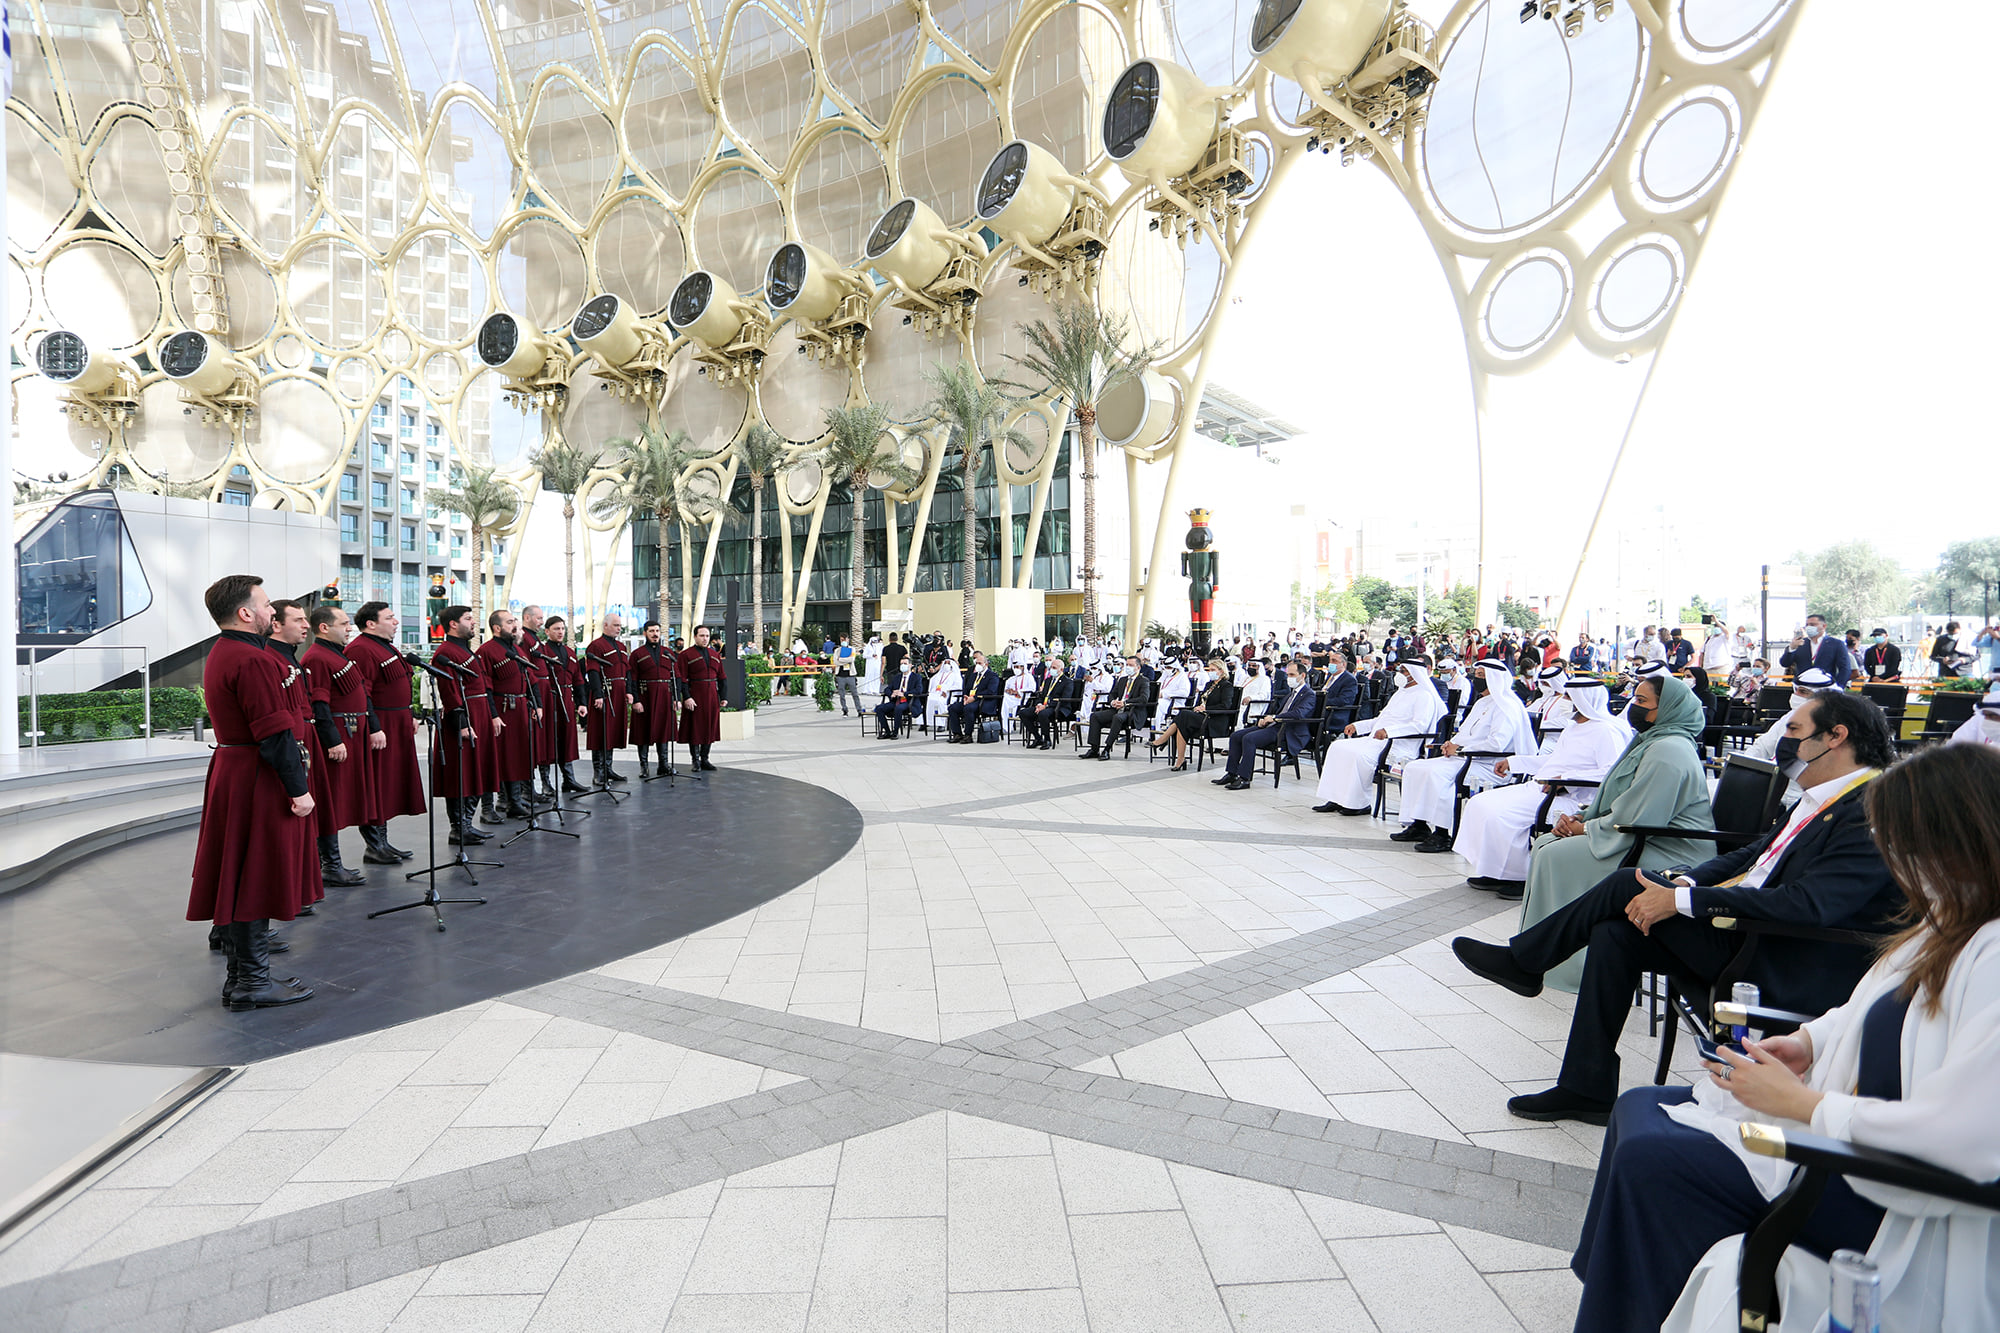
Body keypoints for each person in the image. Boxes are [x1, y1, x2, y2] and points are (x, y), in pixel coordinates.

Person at [1581, 744, 2000, 1333]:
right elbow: (1873, 1009)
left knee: (1655, 1158)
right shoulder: (1946, 921)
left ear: (1956, 841)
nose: (1892, 858)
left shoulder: (1992, 954)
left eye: (1902, 841)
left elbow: (1969, 1137)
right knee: (1640, 1108)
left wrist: (1802, 1104)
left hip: (1880, 1191)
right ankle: (1615, 1294)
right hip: (1841, 1138)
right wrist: (1808, 1042)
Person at [1454, 688, 1902, 1133]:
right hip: (1744, 928)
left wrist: (1681, 901)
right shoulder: (1825, 796)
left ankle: (1525, 962)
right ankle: (1585, 1087)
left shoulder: (1871, 809)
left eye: (1795, 731)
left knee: (1627, 882)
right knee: (1615, 934)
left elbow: (1809, 905)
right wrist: (1686, 883)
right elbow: (1752, 857)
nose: (1785, 742)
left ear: (1835, 737)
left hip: (1779, 952)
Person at [1512, 672, 1715, 984]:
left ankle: (1565, 966)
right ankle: (1537, 958)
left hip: (1670, 848)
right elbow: (1621, 798)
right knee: (1545, 844)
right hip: (1644, 835)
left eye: (1642, 701)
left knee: (1556, 855)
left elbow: (1642, 815)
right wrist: (1581, 819)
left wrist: (1584, 830)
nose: (1634, 707)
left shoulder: (1670, 750)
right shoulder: (1652, 741)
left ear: (1667, 708)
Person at [187, 575, 317, 1011]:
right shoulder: (253, 659)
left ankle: (242, 979)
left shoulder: (224, 650)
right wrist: (298, 789)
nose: (272, 612)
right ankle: (253, 982)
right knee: (256, 874)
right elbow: (275, 733)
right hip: (256, 776)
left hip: (236, 769)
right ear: (245, 613)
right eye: (265, 605)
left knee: (242, 872)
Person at [1455, 678, 1631, 893]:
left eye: (1569, 697)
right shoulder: (1573, 727)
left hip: (1573, 797)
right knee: (1479, 803)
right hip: (1541, 788)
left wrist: (1565, 780)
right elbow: (1553, 761)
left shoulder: (1606, 730)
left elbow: (1611, 772)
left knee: (1500, 815)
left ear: (1584, 699)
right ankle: (1497, 871)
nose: (1565, 702)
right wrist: (1513, 762)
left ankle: (1520, 877)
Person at [1388, 661, 1539, 853]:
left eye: (1482, 675)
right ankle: (1419, 825)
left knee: (1437, 774)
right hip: (1465, 758)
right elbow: (1464, 733)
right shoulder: (1482, 702)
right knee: (1415, 768)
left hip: (1490, 764)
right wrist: (1450, 744)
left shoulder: (1506, 706)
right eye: (1476, 674)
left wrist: (1459, 749)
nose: (1477, 679)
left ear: (1494, 679)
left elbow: (1496, 744)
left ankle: (1443, 834)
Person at [268, 600, 342, 892]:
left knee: (317, 812)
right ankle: (297, 884)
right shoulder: (271, 658)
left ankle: (317, 874)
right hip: (295, 740)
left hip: (306, 737)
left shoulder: (289, 656)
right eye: (298, 620)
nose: (305, 625)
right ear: (276, 624)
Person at [302, 604, 380, 881]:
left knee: (345, 799)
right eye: (344, 623)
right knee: (330, 801)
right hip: (340, 735)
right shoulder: (316, 657)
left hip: (352, 734)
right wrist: (333, 740)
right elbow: (319, 704)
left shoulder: (336, 654)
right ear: (324, 627)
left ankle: (336, 863)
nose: (349, 628)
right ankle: (330, 866)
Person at [1312, 659, 1448, 816]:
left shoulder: (1424, 696)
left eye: (1403, 671)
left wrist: (1388, 732)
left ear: (1414, 674)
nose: (1399, 674)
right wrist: (1358, 726)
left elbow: (1418, 726)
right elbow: (1381, 720)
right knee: (1338, 747)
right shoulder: (1400, 693)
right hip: (1377, 740)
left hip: (1399, 744)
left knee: (1360, 755)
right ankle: (1336, 799)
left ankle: (1359, 804)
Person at [345, 601, 422, 863]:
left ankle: (383, 842)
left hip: (397, 722)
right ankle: (374, 845)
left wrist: (409, 714)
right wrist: (374, 727)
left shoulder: (385, 646)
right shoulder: (360, 649)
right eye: (389, 618)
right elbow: (362, 693)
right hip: (382, 724)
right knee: (376, 784)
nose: (396, 622)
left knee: (387, 784)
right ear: (371, 624)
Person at [477, 609, 547, 820]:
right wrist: (493, 715)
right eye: (509, 622)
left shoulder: (516, 649)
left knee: (517, 756)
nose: (515, 625)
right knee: (498, 758)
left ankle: (514, 802)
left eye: (514, 621)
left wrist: (538, 704)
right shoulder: (486, 651)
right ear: (497, 628)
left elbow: (531, 678)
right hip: (502, 709)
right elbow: (485, 687)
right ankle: (492, 806)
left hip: (520, 709)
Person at [1212, 657, 1315, 789]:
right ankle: (1231, 773)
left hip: (1288, 730)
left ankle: (1244, 778)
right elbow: (1277, 710)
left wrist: (1275, 718)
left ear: (1302, 676)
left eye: (1292, 675)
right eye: (1288, 675)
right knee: (1236, 736)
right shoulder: (1292, 693)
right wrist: (1266, 718)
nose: (1289, 678)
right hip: (1275, 726)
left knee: (1249, 739)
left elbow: (1299, 713)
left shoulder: (1308, 694)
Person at [1152, 656, 1238, 770]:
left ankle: (1164, 739)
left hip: (1215, 719)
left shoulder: (1226, 686)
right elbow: (1199, 702)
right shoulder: (1209, 685)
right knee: (1182, 723)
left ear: (1221, 671)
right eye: (1209, 670)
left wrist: (1206, 708)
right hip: (1202, 717)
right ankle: (1179, 759)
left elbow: (1226, 705)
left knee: (1184, 715)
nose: (1210, 672)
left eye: (1213, 670)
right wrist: (1197, 708)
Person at [536, 616, 590, 793]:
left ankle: (569, 779)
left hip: (567, 699)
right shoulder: (542, 651)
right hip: (549, 698)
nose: (560, 632)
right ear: (547, 631)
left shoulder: (570, 652)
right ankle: (546, 783)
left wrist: (582, 703)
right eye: (556, 629)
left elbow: (578, 679)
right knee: (548, 739)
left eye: (562, 629)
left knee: (567, 738)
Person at [582, 613, 632, 785]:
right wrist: (598, 694)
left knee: (612, 731)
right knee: (600, 731)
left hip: (619, 693)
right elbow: (593, 671)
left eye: (620, 626)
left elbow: (627, 671)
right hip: (605, 693)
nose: (619, 628)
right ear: (605, 625)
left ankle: (608, 768)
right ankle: (598, 773)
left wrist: (629, 691)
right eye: (616, 625)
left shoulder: (621, 646)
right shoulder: (596, 646)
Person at [629, 620, 682, 779]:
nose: (655, 634)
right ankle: (644, 767)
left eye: (657, 631)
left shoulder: (668, 653)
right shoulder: (637, 654)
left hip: (665, 696)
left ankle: (663, 765)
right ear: (645, 633)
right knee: (642, 731)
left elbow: (677, 677)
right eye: (651, 631)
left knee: (664, 730)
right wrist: (636, 700)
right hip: (645, 696)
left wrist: (676, 698)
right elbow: (632, 679)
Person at [1081, 655, 1152, 759]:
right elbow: (1112, 694)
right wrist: (1113, 701)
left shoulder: (1143, 681)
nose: (1128, 667)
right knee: (1095, 716)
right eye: (1127, 665)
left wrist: (1125, 702)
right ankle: (1094, 749)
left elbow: (1144, 698)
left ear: (1138, 667)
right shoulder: (1123, 680)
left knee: (1117, 718)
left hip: (1132, 711)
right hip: (1118, 708)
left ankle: (1107, 749)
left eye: (1131, 665)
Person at [678, 624, 723, 770]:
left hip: (712, 696)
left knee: (709, 727)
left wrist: (723, 696)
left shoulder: (715, 655)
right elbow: (682, 679)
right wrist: (687, 697)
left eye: (707, 636)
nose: (705, 639)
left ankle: (705, 759)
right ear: (695, 637)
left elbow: (722, 677)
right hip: (695, 695)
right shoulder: (686, 655)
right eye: (702, 636)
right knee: (695, 728)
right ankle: (695, 760)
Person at [1780, 613, 1855, 687]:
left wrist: (1838, 687)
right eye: (1807, 625)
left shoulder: (1836, 644)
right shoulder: (1800, 643)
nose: (1809, 627)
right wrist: (1792, 649)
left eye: (1812, 625)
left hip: (1825, 687)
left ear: (1824, 626)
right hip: (1802, 686)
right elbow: (1785, 663)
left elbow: (1845, 669)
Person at [948, 651, 1002, 743]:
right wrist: (965, 697)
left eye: (979, 663)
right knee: (953, 708)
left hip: (984, 701)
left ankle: (968, 735)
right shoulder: (973, 675)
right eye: (976, 663)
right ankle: (957, 734)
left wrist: (974, 698)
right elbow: (967, 688)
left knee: (968, 708)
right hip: (970, 699)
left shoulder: (992, 676)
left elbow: (991, 691)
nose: (977, 665)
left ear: (986, 664)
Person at [874, 657, 924, 737]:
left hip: (909, 702)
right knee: (879, 708)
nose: (903, 665)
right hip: (896, 700)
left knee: (899, 708)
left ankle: (895, 732)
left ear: (910, 665)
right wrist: (892, 693)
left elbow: (918, 690)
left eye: (905, 663)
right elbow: (887, 689)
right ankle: (887, 731)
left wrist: (904, 693)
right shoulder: (897, 677)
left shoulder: (916, 677)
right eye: (901, 664)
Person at [925, 653, 961, 734]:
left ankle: (941, 724)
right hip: (936, 693)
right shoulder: (938, 675)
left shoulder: (955, 675)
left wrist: (946, 691)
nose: (946, 665)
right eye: (945, 663)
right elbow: (932, 684)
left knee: (940, 701)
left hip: (949, 695)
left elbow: (958, 687)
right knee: (929, 699)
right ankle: (928, 722)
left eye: (948, 663)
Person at [832, 634, 861, 715]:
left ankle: (859, 710)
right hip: (840, 675)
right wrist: (845, 661)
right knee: (842, 694)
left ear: (848, 640)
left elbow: (852, 659)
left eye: (845, 639)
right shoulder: (837, 650)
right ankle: (844, 709)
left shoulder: (852, 649)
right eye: (841, 640)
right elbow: (836, 662)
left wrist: (841, 659)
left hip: (850, 674)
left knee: (855, 694)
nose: (843, 641)